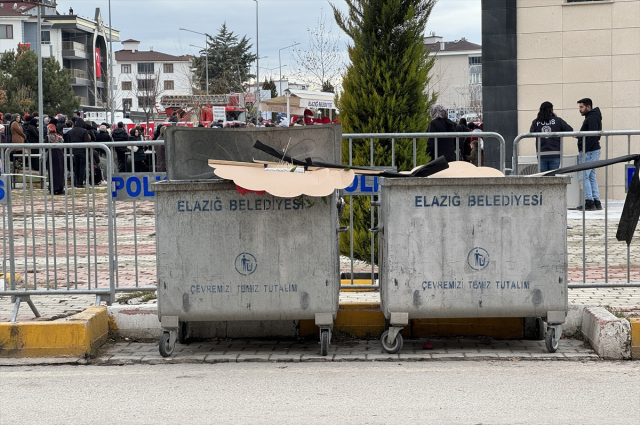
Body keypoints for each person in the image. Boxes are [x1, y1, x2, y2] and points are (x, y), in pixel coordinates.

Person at [529, 101, 573, 172]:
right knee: (554, 178)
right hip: (555, 153)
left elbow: (531, 132)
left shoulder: (536, 122)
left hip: (542, 154)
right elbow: (570, 130)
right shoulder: (558, 121)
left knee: (543, 178)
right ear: (551, 110)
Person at [576, 98, 603, 211]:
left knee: (583, 176)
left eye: (581, 107)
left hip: (590, 151)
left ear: (588, 107)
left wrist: (584, 149)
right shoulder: (593, 116)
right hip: (593, 151)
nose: (579, 109)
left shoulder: (591, 117)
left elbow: (592, 135)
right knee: (591, 176)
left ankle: (589, 202)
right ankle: (596, 201)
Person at [67, 118, 90, 188]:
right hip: (82, 151)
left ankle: (76, 182)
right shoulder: (84, 131)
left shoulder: (71, 131)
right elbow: (87, 142)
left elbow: (69, 141)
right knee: (82, 167)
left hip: (74, 151)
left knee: (76, 166)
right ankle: (80, 182)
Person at [45, 123, 65, 195]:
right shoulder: (59, 136)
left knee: (52, 172)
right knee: (60, 172)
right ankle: (60, 187)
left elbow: (45, 147)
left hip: (52, 156)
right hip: (60, 155)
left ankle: (53, 188)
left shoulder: (48, 137)